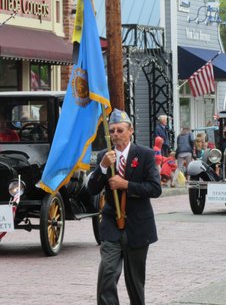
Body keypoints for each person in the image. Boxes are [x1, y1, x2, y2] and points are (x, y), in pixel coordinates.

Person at [87, 109, 161, 305]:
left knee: (135, 281)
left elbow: (155, 188)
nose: (115, 135)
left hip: (138, 226)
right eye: (112, 131)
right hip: (112, 225)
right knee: (107, 275)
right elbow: (92, 189)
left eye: (120, 130)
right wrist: (102, 167)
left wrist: (126, 185)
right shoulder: (105, 155)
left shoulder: (144, 155)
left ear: (131, 131)